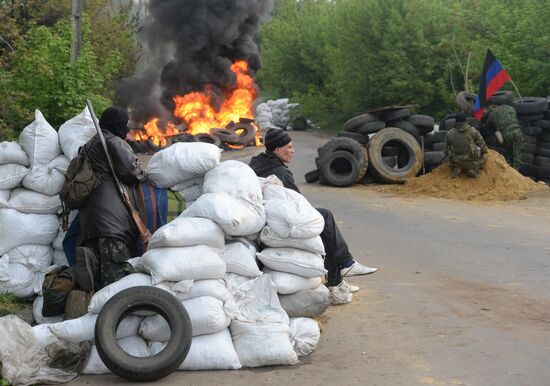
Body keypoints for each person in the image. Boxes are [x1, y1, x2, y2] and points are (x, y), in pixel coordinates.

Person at [249, 128, 377, 304]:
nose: (293, 151)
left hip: (266, 219)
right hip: (280, 222)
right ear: (277, 149)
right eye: (289, 147)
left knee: (320, 227)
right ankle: (345, 266)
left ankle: (337, 279)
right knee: (322, 218)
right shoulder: (280, 172)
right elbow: (296, 203)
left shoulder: (258, 163)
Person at [74, 106, 146, 292]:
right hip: (112, 223)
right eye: (125, 126)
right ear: (118, 126)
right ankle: (113, 318)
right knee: (116, 281)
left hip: (91, 220)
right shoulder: (113, 142)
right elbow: (132, 172)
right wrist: (144, 173)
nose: (127, 130)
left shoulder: (90, 144)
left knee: (98, 278)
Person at [444, 112, 488, 178]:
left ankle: (457, 168)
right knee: (485, 156)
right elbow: (484, 148)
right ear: (466, 121)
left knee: (451, 152)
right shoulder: (473, 131)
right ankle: (473, 169)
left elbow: (445, 150)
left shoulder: (450, 133)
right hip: (471, 162)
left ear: (456, 122)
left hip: (456, 161)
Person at [484, 101, 523, 170]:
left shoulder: (494, 113)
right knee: (518, 155)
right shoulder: (511, 108)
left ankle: (512, 172)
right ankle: (517, 173)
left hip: (506, 133)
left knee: (509, 154)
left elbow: (487, 124)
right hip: (517, 130)